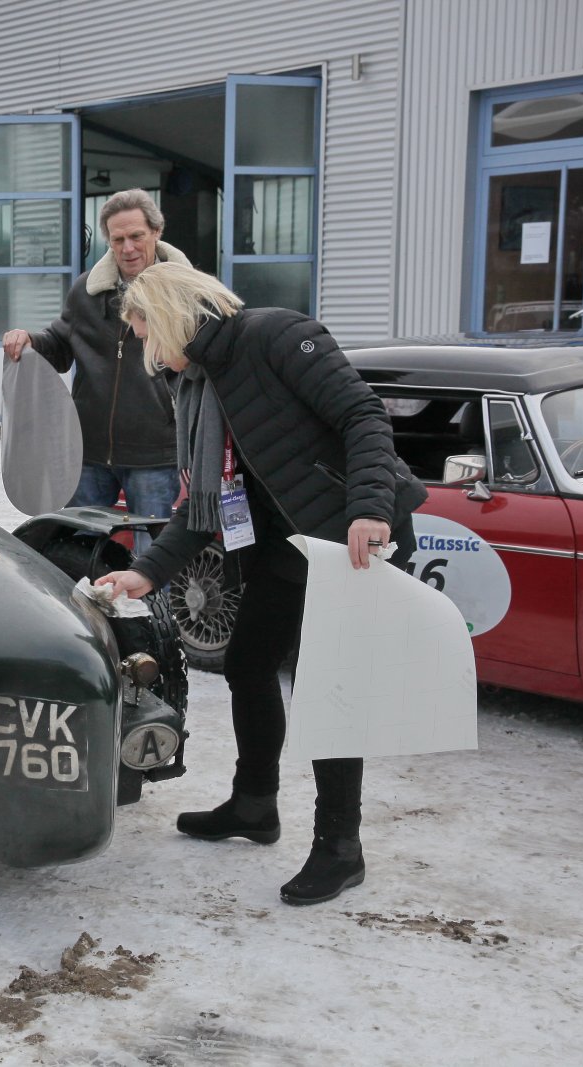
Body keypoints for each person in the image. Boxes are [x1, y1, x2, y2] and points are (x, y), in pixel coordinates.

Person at [95, 261, 428, 906]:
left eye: (145, 333)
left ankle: (340, 848)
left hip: (353, 537)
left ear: (168, 317)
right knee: (248, 662)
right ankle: (254, 804)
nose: (147, 351)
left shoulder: (276, 335)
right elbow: (203, 504)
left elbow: (363, 415)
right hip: (285, 542)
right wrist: (146, 573)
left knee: (328, 688)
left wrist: (370, 510)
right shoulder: (197, 384)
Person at [2, 188, 189, 551]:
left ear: (156, 232)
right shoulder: (86, 291)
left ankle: (147, 594)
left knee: (150, 556)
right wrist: (30, 341)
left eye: (136, 236)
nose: (127, 248)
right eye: (118, 239)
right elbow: (60, 346)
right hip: (87, 451)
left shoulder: (183, 291)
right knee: (76, 550)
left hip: (154, 454)